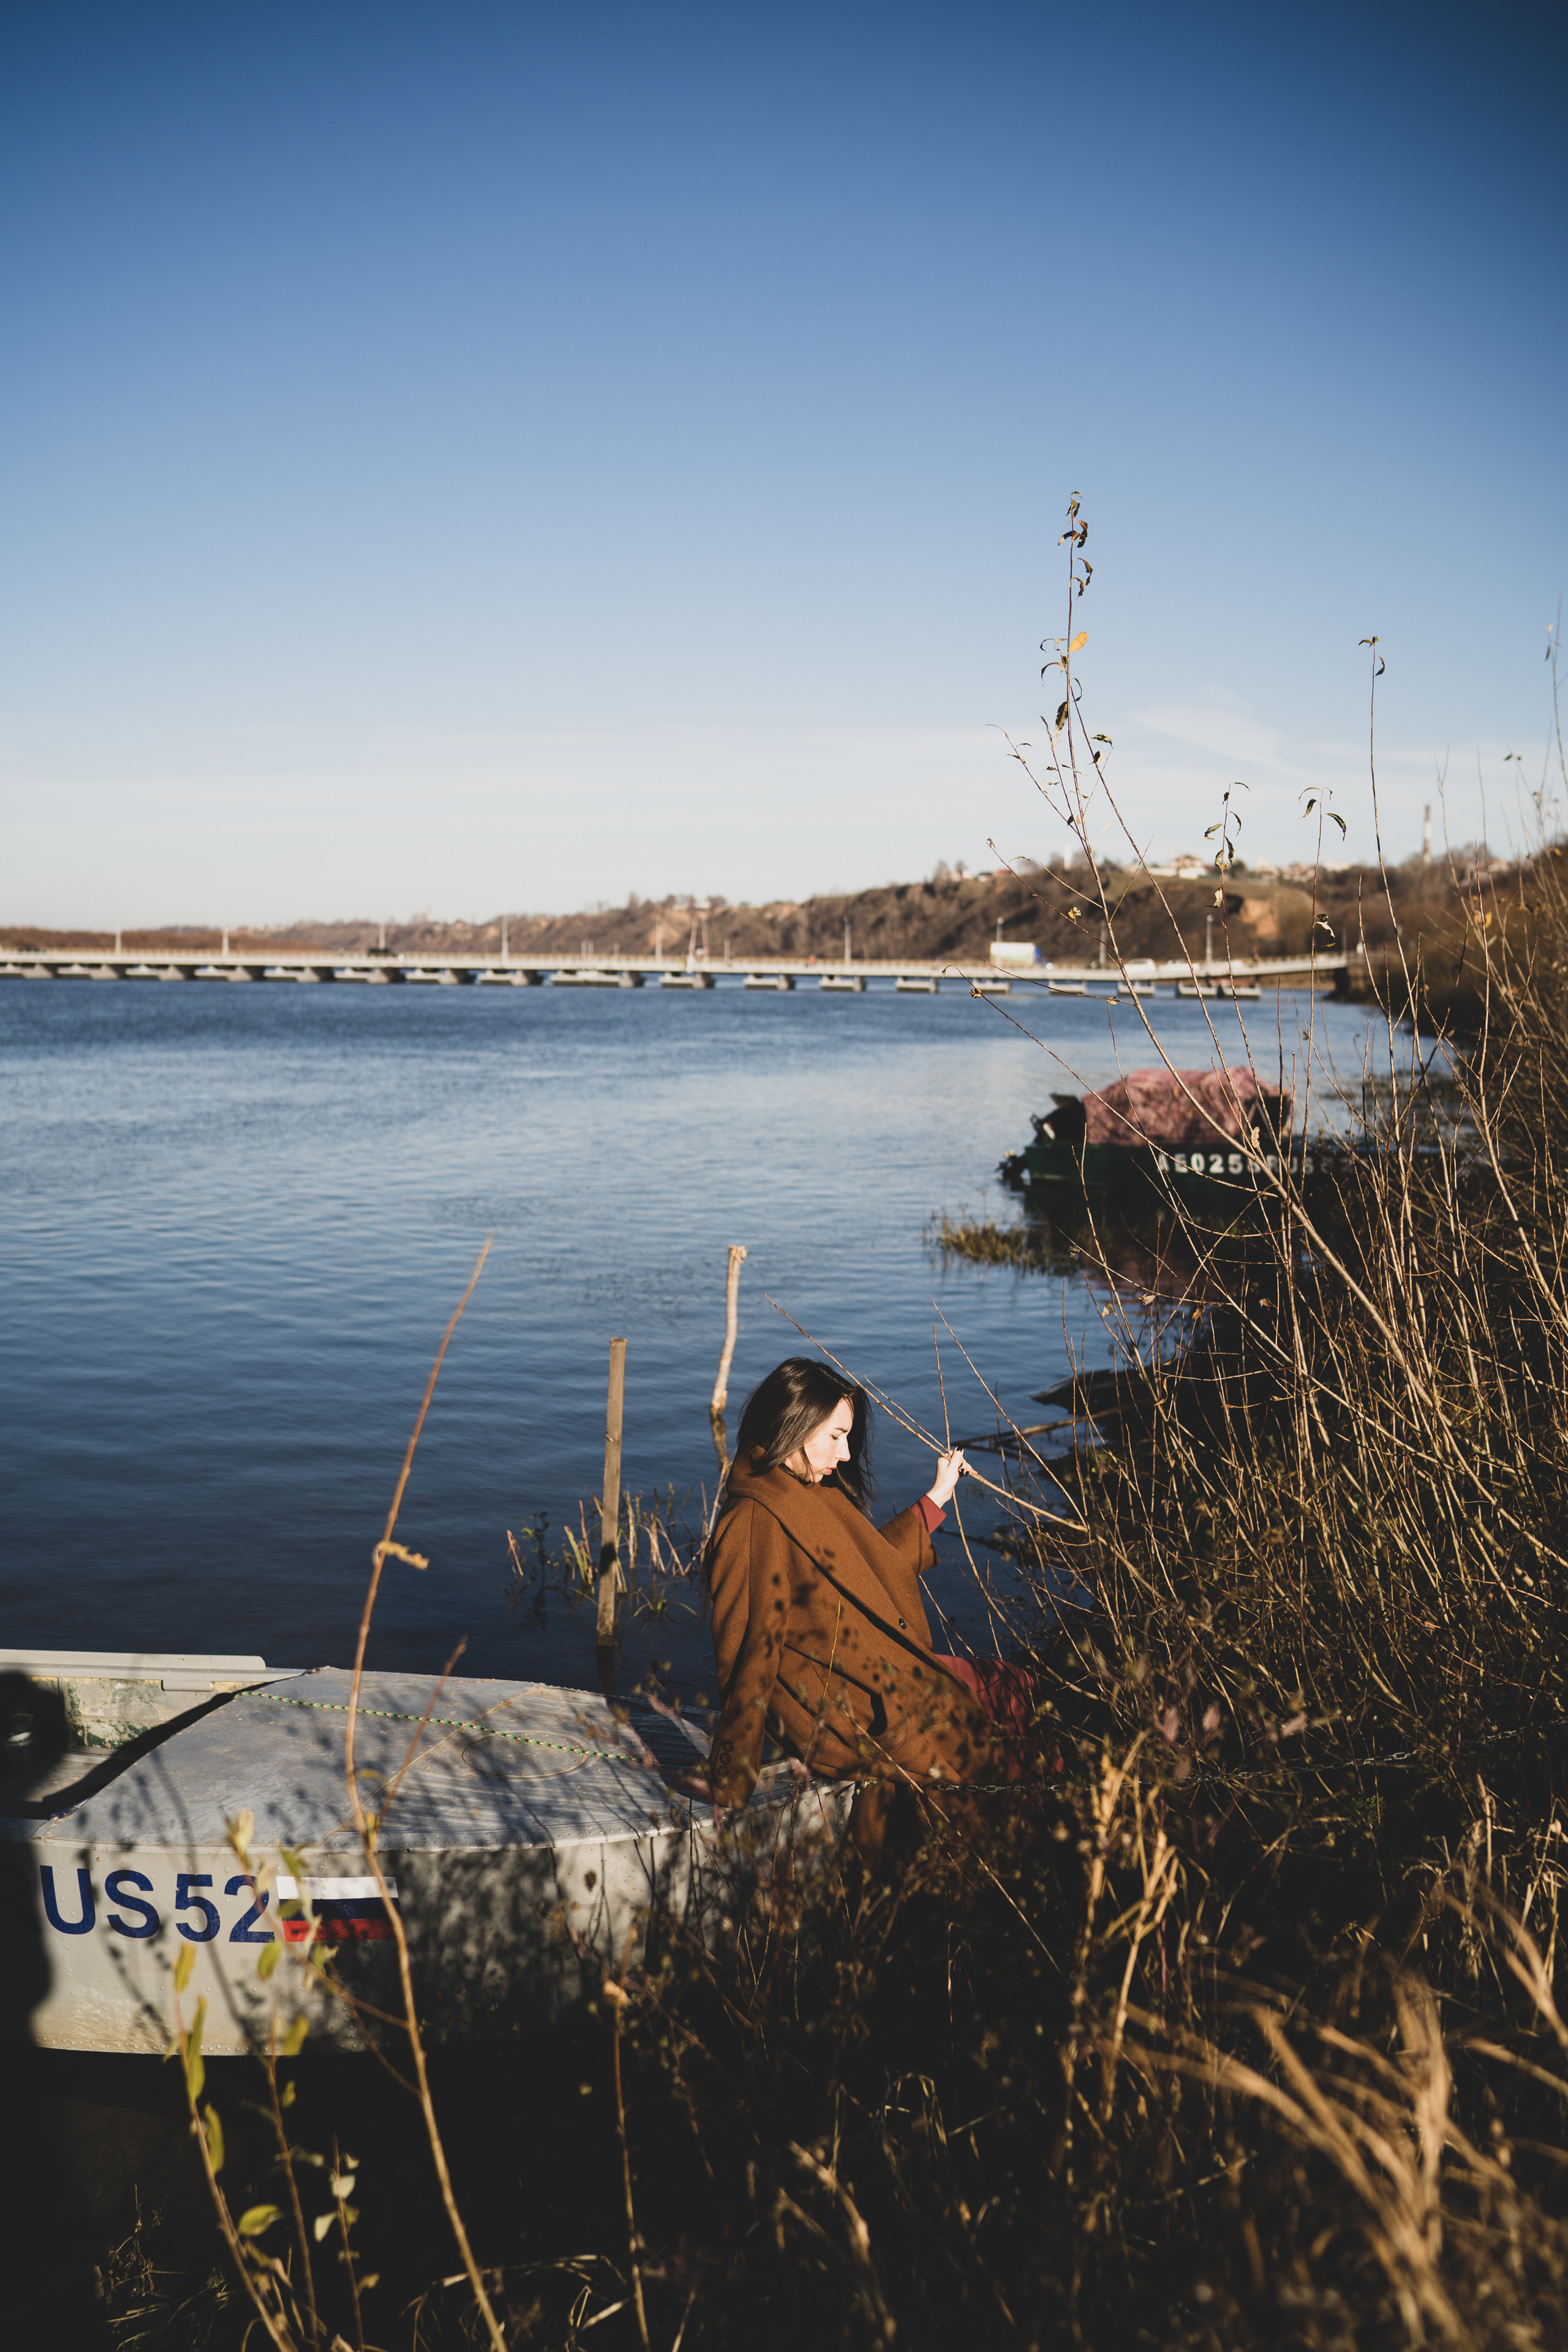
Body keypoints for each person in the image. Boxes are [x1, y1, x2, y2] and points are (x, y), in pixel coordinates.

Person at [704, 1357, 1010, 1839]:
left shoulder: (808, 1492)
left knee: (1013, 1689)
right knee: (995, 1759)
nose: (845, 1454)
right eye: (836, 1436)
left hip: (874, 1684)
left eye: (846, 1437)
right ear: (793, 1425)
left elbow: (868, 1570)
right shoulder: (753, 1523)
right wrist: (731, 1779)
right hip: (849, 1716)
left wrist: (937, 1498)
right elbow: (748, 1661)